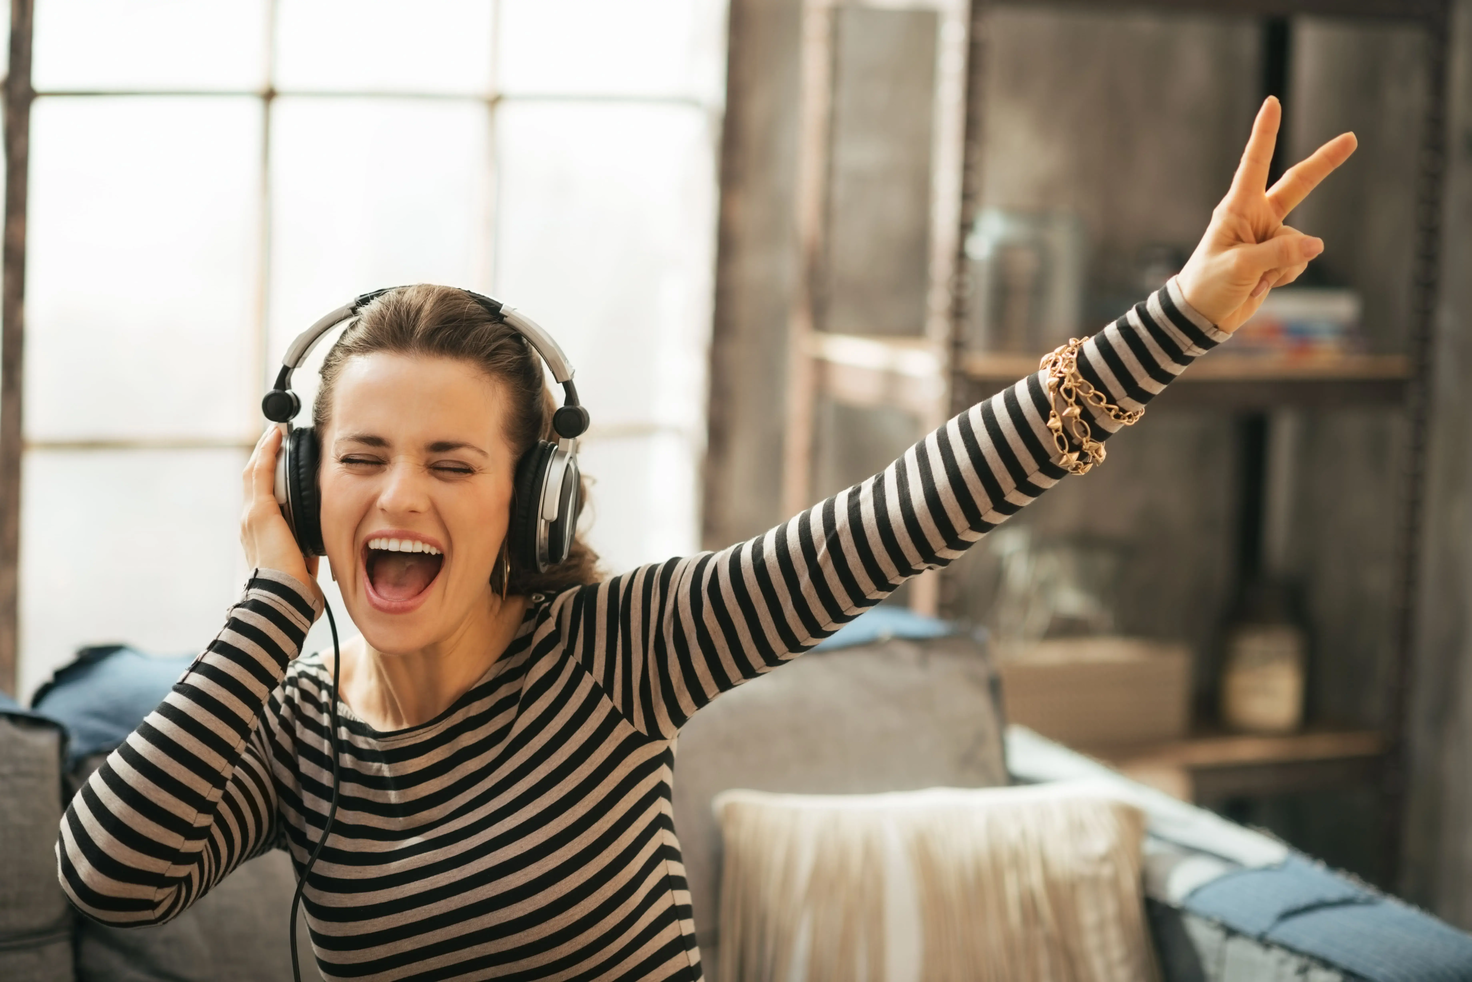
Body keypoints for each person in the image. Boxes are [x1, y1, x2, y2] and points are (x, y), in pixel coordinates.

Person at [56, 97, 1353, 981]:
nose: (399, 495)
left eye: (453, 461)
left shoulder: (623, 649)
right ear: (298, 484)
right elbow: (109, 877)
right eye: (359, 458)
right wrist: (269, 605)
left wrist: (1178, 314)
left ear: (529, 499)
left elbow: (909, 507)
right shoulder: (295, 737)